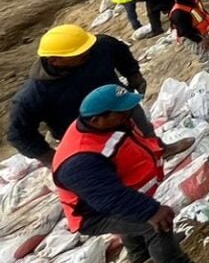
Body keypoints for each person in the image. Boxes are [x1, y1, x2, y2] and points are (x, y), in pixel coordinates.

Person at [52, 84, 209, 263]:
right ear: (97, 119)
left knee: (136, 214)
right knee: (155, 223)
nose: (128, 114)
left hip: (114, 191)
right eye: (121, 112)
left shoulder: (106, 124)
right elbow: (110, 200)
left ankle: (140, 256)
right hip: (93, 213)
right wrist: (151, 211)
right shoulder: (79, 161)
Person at [7, 24, 156, 163]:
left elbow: (118, 50)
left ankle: (157, 149)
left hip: (123, 108)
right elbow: (19, 134)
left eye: (87, 48)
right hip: (87, 136)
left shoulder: (98, 47)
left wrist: (133, 74)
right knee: (117, 166)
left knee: (147, 138)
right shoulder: (34, 95)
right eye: (79, 54)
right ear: (54, 60)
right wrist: (53, 158)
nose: (87, 53)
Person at [169, 0, 209, 75]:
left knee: (207, 49)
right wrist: (199, 40)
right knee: (204, 53)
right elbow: (184, 31)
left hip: (200, 31)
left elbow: (202, 13)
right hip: (190, 36)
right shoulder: (178, 13)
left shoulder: (193, 3)